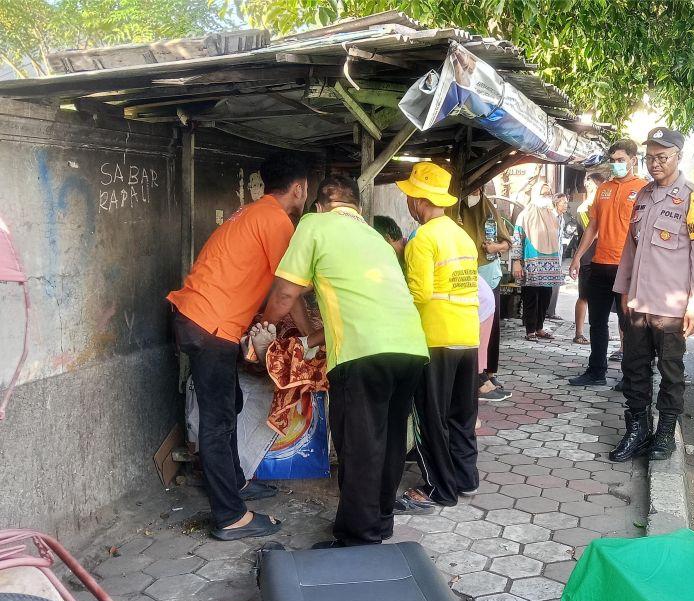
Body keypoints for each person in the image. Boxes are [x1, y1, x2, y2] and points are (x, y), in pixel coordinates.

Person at [261, 174, 428, 547]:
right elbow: (360, 302)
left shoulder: (314, 224)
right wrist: (309, 340)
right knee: (386, 442)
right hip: (410, 349)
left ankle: (358, 537)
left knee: (359, 443)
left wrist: (262, 327)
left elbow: (287, 291)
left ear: (319, 205)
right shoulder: (375, 237)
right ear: (357, 207)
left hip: (362, 353)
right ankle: (380, 521)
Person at [167, 153, 312, 541]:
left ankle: (235, 482)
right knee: (218, 421)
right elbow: (289, 288)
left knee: (229, 403)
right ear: (299, 188)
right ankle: (230, 516)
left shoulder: (250, 213)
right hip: (210, 324)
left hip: (197, 316)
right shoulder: (276, 221)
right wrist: (311, 333)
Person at [612, 127, 694, 462]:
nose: (655, 164)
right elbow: (630, 249)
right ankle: (638, 429)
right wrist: (624, 292)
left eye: (662, 157)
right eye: (650, 157)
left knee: (671, 370)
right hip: (639, 302)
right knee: (634, 367)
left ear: (678, 157)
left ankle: (665, 434)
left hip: (671, 307)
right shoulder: (642, 196)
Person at [394, 162, 481, 510]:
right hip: (466, 335)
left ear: (418, 200)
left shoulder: (423, 239)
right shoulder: (462, 236)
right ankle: (465, 478)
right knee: (461, 414)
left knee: (430, 416)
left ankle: (439, 489)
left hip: (435, 338)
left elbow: (419, 294)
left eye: (408, 197)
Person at [568, 140, 647, 386]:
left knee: (629, 324)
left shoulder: (644, 189)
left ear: (633, 160)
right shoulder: (603, 189)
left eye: (621, 160)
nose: (616, 165)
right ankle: (596, 372)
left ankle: (630, 377)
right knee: (597, 321)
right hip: (600, 264)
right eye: (613, 160)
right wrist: (578, 256)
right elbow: (593, 226)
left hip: (627, 268)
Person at [446, 185, 512, 401]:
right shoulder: (453, 210)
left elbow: (507, 241)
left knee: (489, 329)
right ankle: (477, 377)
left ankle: (487, 374)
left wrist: (495, 248)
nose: (476, 192)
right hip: (462, 275)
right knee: (470, 328)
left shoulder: (489, 210)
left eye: (479, 188)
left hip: (488, 273)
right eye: (472, 187)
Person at [511, 182, 564, 341]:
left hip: (550, 263)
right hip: (531, 262)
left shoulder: (552, 215)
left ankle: (540, 327)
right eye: (543, 193)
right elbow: (517, 239)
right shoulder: (525, 215)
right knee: (531, 297)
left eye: (548, 193)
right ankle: (530, 330)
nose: (546, 196)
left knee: (546, 296)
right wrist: (516, 262)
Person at [572, 172, 607, 345]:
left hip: (605, 258)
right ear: (591, 186)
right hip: (588, 258)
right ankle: (579, 333)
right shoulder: (585, 208)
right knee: (584, 296)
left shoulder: (603, 205)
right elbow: (592, 231)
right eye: (601, 186)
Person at [545, 192, 571, 320]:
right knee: (548, 285)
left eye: (566, 202)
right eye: (564, 202)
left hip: (558, 255)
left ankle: (551, 311)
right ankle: (546, 311)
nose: (566, 205)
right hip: (549, 255)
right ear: (556, 203)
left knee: (556, 284)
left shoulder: (562, 218)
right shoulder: (550, 217)